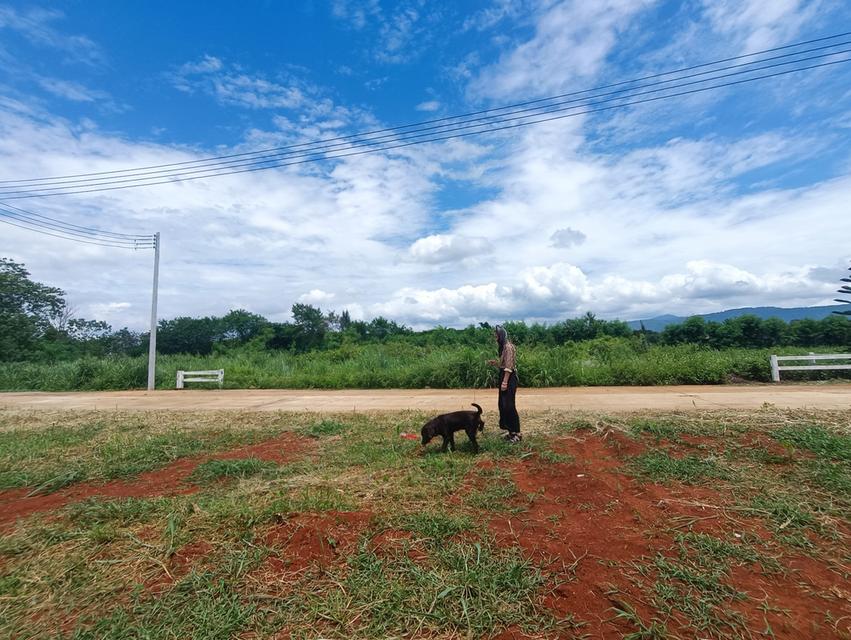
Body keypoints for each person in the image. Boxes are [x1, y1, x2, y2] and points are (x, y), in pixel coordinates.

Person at [487, 325, 521, 442]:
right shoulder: (503, 347)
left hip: (509, 377)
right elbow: (504, 364)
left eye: (496, 335)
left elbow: (509, 366)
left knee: (509, 406)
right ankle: (511, 432)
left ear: (501, 335)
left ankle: (517, 433)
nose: (495, 337)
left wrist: (505, 382)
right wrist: (496, 363)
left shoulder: (508, 347)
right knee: (503, 405)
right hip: (504, 376)